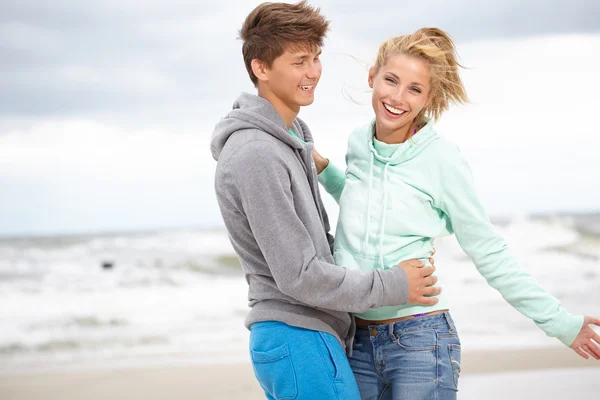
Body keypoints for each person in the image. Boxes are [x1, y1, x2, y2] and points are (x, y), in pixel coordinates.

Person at [312, 27, 600, 400]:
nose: (398, 98)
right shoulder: (358, 143)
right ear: (373, 77)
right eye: (391, 80)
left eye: (414, 89)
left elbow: (488, 250)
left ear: (429, 97)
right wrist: (322, 168)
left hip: (420, 341)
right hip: (355, 339)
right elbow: (360, 199)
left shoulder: (442, 160)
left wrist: (561, 323)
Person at [210, 3, 441, 399]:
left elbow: (317, 244)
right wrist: (394, 284)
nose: (313, 72)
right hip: (297, 335)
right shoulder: (257, 154)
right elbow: (299, 274)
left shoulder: (290, 137)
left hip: (310, 335)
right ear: (260, 68)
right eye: (299, 61)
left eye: (316, 58)